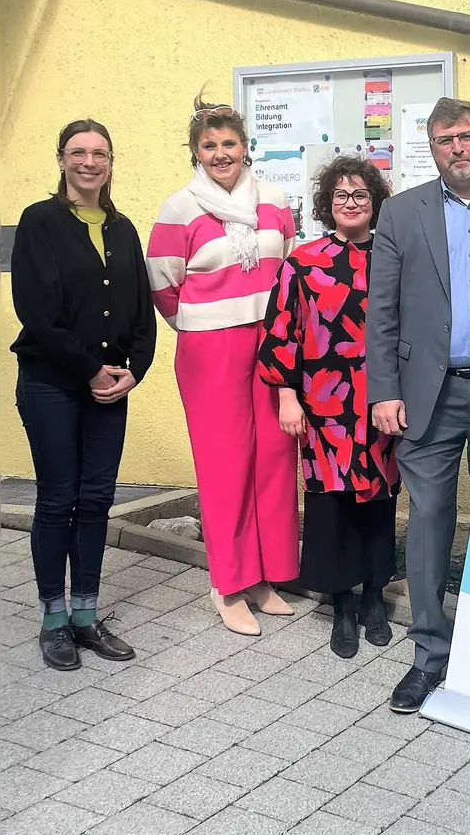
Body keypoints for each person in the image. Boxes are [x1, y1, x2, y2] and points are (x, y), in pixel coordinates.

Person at [365, 97, 470, 713]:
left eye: (465, 137)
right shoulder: (403, 213)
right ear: (431, 150)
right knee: (429, 526)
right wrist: (383, 391)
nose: (456, 149)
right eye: (443, 141)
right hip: (427, 394)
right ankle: (429, 654)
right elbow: (381, 313)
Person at [148, 98, 298, 636]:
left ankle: (266, 576)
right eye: (208, 146)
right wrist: (206, 320)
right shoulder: (180, 208)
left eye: (228, 144)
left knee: (275, 457)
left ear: (245, 148)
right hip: (211, 348)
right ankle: (228, 585)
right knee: (225, 464)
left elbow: (288, 268)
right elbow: (164, 285)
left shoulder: (276, 200)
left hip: (269, 342)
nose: (220, 154)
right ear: (196, 153)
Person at [9, 119, 154, 670]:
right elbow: (37, 312)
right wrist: (92, 369)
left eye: (100, 153)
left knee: (96, 500)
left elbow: (141, 313)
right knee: (57, 498)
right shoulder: (40, 221)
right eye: (79, 152)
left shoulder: (123, 228)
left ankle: (87, 615)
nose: (89, 162)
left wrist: (134, 370)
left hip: (109, 390)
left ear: (111, 162)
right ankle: (53, 618)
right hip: (52, 382)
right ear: (62, 159)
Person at [258, 154, 401, 659]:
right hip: (323, 404)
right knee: (333, 502)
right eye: (341, 195)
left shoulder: (393, 256)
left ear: (375, 201)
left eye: (361, 195)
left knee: (379, 500)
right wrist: (286, 394)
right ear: (326, 204)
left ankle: (374, 599)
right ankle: (341, 604)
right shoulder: (303, 262)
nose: (351, 203)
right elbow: (282, 330)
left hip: (380, 403)